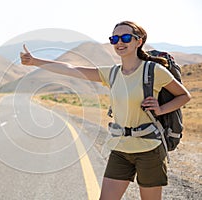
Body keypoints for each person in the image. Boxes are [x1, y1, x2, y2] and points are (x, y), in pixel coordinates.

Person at [20, 21, 191, 200]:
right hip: (120, 148)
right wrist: (35, 61)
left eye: (125, 37)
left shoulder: (153, 70)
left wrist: (161, 109)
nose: (119, 42)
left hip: (149, 149)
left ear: (138, 42)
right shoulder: (112, 73)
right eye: (114, 38)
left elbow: (184, 95)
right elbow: (72, 69)